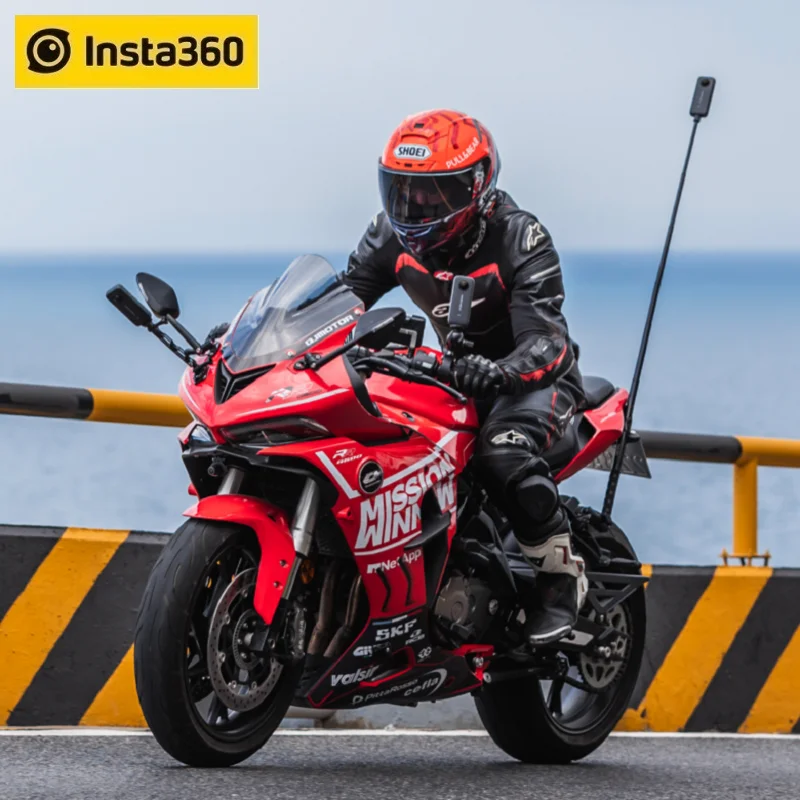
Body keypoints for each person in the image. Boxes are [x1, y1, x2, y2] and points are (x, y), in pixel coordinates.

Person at [342, 109, 589, 645]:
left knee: (501, 451)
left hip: (536, 384)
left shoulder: (519, 237)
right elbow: (341, 300)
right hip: (454, 376)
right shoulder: (389, 235)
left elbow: (546, 342)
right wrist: (277, 335)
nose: (415, 206)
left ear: (475, 187)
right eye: (403, 191)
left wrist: (500, 372)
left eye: (434, 194)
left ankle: (561, 583)